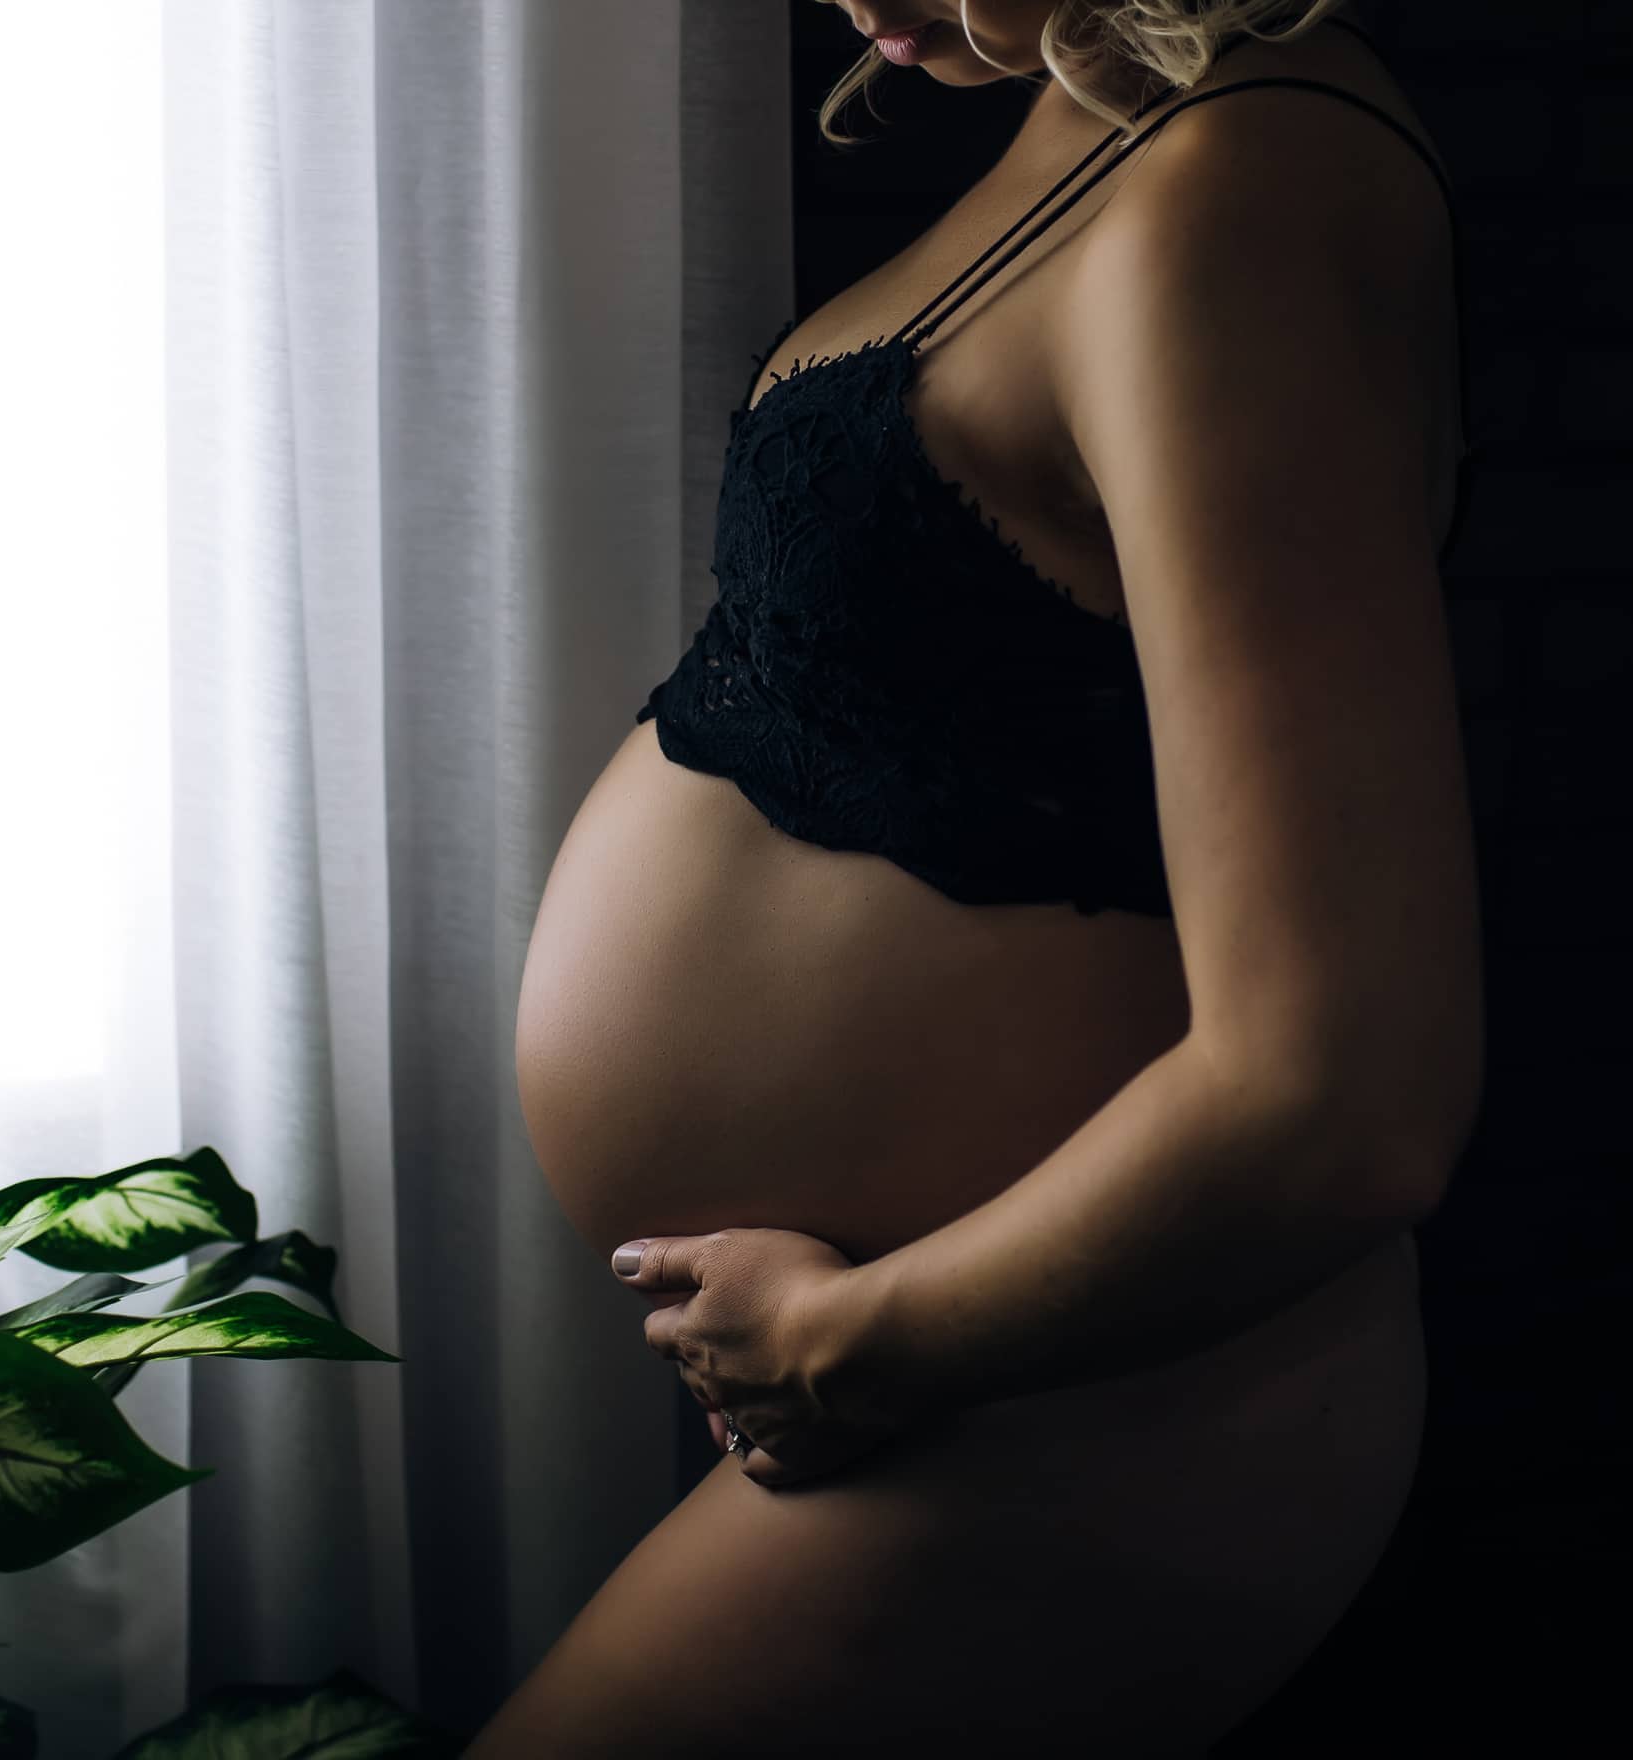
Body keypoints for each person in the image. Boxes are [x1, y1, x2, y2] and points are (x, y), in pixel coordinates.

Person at [498, 2, 1481, 1751]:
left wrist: (837, 1342)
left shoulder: (1240, 190)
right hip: (966, 1393)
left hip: (1086, 1416)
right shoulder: (1109, 126)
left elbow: (1343, 1095)